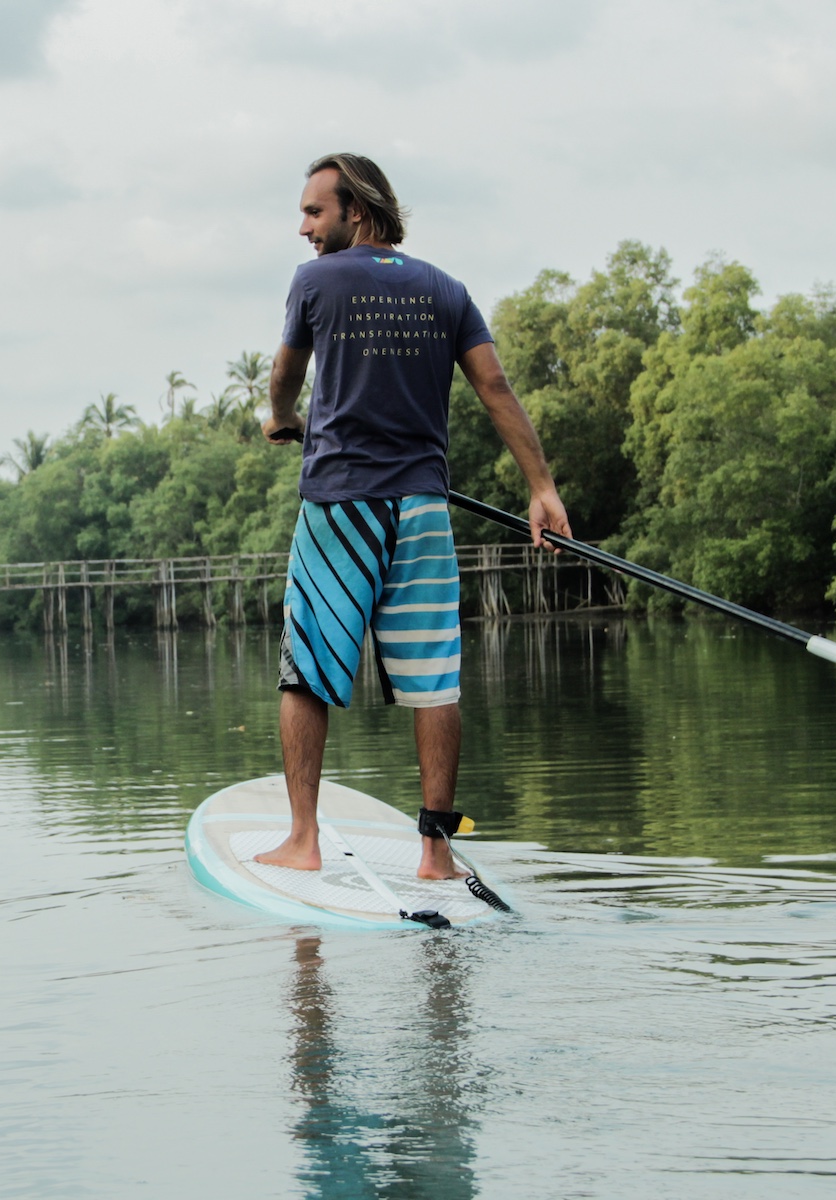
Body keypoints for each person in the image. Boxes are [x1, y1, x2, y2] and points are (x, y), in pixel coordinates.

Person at [256, 152, 571, 880]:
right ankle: (437, 852)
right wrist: (542, 488)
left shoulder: (315, 281)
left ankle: (303, 842)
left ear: (355, 210)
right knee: (435, 678)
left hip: (340, 504)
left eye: (314, 211)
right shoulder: (445, 288)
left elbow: (284, 375)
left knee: (306, 673)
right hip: (424, 509)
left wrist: (279, 419)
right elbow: (494, 386)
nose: (303, 227)